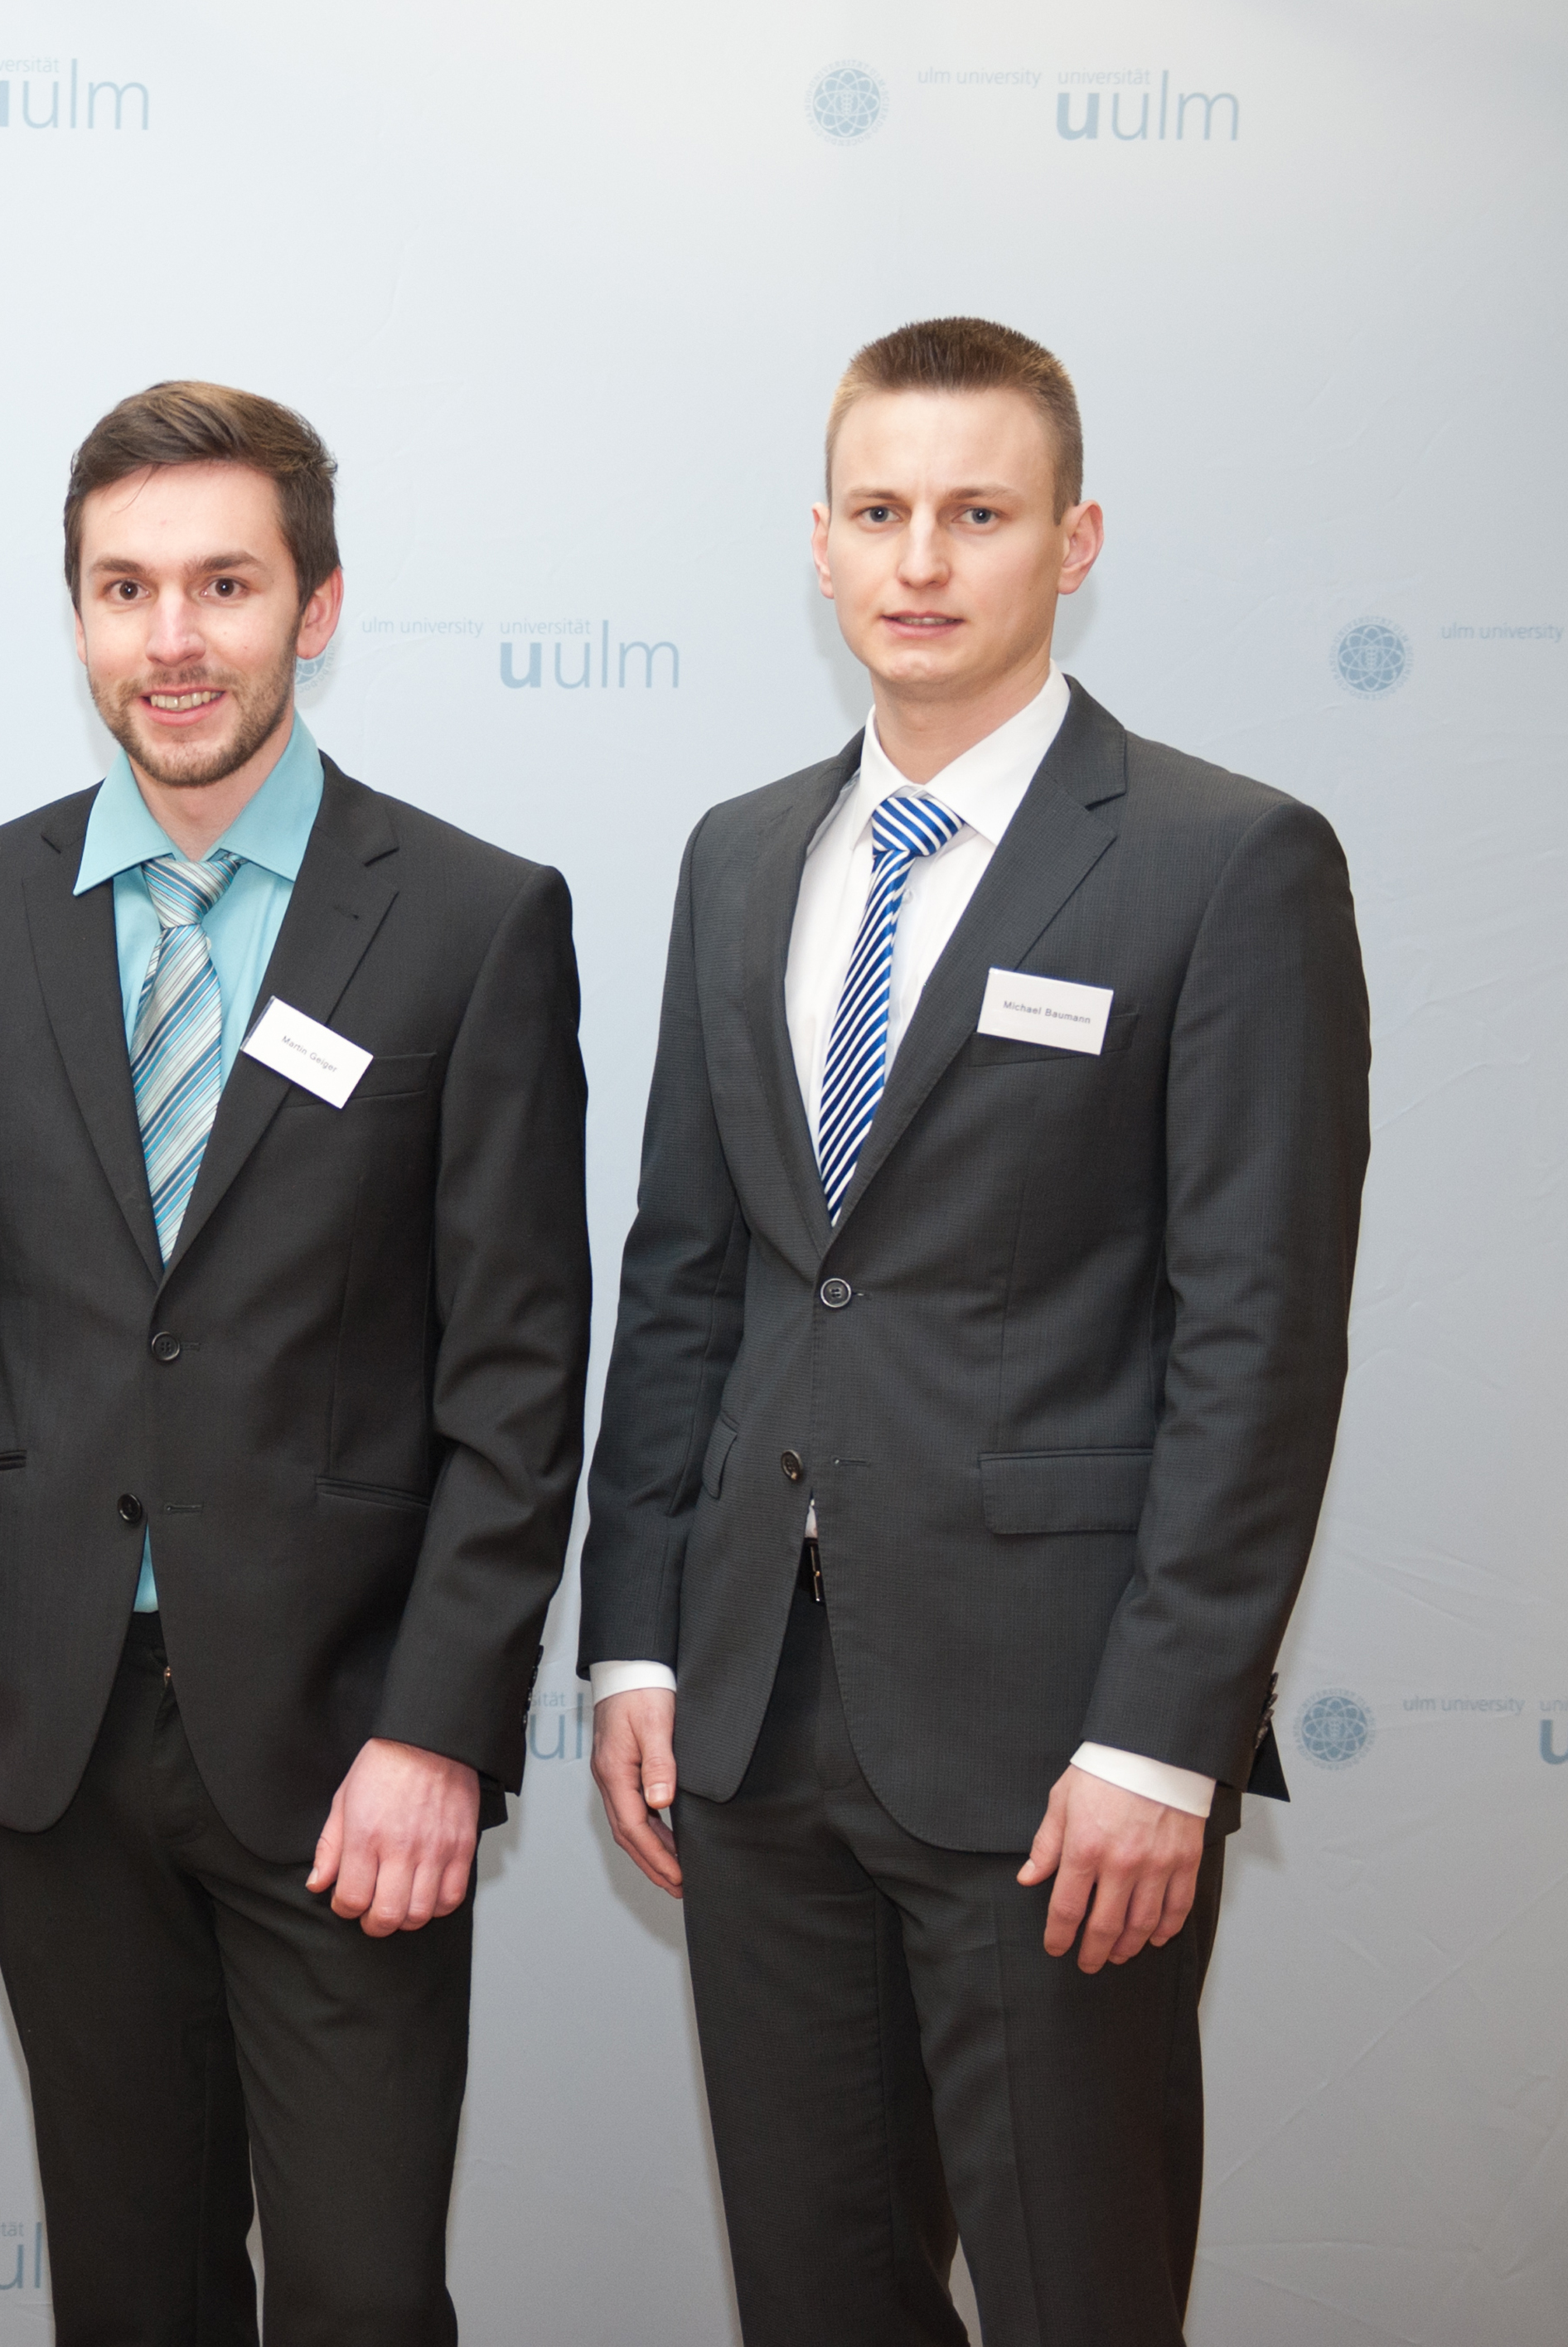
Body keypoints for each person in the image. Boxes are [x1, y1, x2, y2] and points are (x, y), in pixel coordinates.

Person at [578, 317, 1372, 2345]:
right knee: (817, 2302)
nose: (920, 560)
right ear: (820, 547)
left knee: (1069, 2297)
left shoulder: (1223, 861)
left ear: (1072, 538)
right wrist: (640, 1638)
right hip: (754, 1721)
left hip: (1056, 1747)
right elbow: (690, 1275)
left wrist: (1160, 1743)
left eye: (977, 513)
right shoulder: (740, 854)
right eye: (878, 512)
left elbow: (1255, 1341)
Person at [0, 381, 592, 2343]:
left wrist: (441, 1728)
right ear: (80, 617)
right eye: (123, 589)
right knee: (129, 2284)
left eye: (221, 584)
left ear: (316, 607)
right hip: (54, 1730)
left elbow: (517, 1381)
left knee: (356, 2292)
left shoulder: (469, 918)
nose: (170, 637)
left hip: (349, 1742)